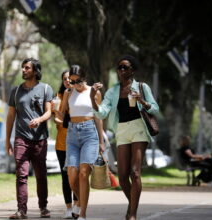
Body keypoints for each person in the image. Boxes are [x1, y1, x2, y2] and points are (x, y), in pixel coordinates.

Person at [90, 55, 159, 220]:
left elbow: (155, 108)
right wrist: (93, 98)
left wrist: (142, 101)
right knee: (122, 176)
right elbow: (101, 112)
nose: (121, 70)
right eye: (119, 67)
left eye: (125, 67)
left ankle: (132, 214)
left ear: (132, 70)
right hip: (121, 130)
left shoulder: (142, 87)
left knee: (135, 172)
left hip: (139, 128)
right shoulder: (113, 91)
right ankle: (132, 205)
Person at [5, 58, 54, 219]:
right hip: (21, 138)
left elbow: (48, 112)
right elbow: (11, 116)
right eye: (22, 68)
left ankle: (43, 207)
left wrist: (39, 120)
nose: (23, 70)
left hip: (40, 139)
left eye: (27, 68)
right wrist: (7, 140)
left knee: (41, 174)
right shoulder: (16, 91)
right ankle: (21, 210)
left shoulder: (46, 89)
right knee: (21, 174)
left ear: (35, 71)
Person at [57, 65, 105, 220]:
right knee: (71, 175)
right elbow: (61, 112)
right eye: (72, 81)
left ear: (84, 78)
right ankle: (81, 202)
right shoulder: (67, 92)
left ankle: (82, 213)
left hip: (89, 132)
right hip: (72, 134)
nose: (75, 84)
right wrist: (53, 111)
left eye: (78, 81)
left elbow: (98, 117)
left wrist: (101, 141)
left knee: (84, 173)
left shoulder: (94, 92)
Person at [52, 70, 78, 219]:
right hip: (62, 143)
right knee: (65, 176)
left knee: (76, 175)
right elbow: (57, 119)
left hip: (77, 141)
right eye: (64, 79)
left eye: (70, 78)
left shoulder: (80, 96)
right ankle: (68, 208)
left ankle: (77, 205)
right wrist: (57, 119)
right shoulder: (58, 97)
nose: (67, 81)